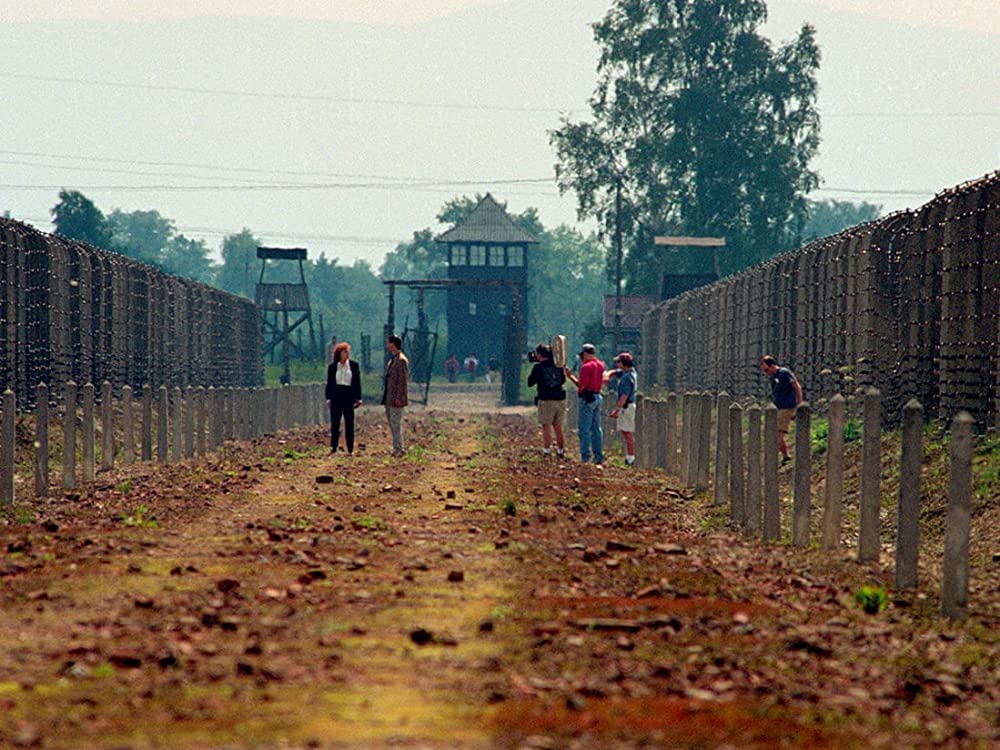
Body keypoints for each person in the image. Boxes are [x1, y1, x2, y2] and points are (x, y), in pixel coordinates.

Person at [564, 343, 605, 466]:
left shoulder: (587, 367)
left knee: (584, 429)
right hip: (597, 396)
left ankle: (585, 456)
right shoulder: (600, 365)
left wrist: (570, 376)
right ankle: (598, 455)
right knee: (596, 428)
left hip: (587, 398)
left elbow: (581, 385)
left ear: (586, 354)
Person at [760, 355, 802, 463]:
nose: (766, 372)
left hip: (787, 406)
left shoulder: (784, 373)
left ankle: (772, 457)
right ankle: (785, 455)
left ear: (773, 365)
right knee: (776, 431)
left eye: (766, 369)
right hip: (778, 407)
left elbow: (796, 386)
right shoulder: (772, 378)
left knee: (778, 432)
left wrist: (799, 403)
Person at [526, 343, 566, 457]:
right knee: (558, 426)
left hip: (546, 399)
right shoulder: (558, 365)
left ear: (539, 354)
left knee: (546, 425)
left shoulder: (538, 367)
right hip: (560, 398)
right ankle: (560, 451)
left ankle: (547, 450)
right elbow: (562, 380)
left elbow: (530, 382)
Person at [325, 342, 363, 454]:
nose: (347, 354)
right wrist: (328, 398)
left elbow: (357, 382)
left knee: (349, 422)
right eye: (344, 351)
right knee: (335, 422)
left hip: (348, 395)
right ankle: (334, 446)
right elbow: (329, 384)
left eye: (347, 352)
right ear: (339, 353)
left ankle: (350, 448)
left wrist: (358, 397)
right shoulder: (332, 367)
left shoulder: (353, 366)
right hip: (336, 395)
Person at [606, 352, 637, 465]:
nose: (616, 364)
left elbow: (624, 395)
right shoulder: (630, 372)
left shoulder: (626, 378)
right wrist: (609, 374)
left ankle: (631, 458)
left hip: (626, 407)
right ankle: (629, 456)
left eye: (618, 362)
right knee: (626, 431)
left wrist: (617, 409)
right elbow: (616, 372)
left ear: (623, 363)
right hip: (628, 406)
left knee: (627, 432)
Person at [381, 335, 409, 457]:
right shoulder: (393, 360)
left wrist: (399, 397)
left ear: (393, 344)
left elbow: (403, 382)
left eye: (388, 343)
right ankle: (396, 447)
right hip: (389, 398)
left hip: (396, 399)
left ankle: (399, 449)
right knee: (392, 423)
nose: (387, 345)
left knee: (396, 423)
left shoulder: (401, 361)